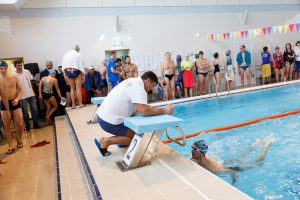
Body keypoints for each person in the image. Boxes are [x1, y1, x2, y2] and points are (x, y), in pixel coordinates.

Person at [94, 71, 174, 156]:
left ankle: (122, 141)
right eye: (152, 85)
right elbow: (144, 111)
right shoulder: (139, 88)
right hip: (109, 122)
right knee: (142, 138)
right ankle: (106, 141)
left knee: (136, 130)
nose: (151, 89)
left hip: (103, 116)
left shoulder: (132, 81)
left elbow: (138, 109)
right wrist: (164, 110)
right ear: (148, 81)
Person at [191, 138, 273, 183]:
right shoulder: (196, 157)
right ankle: (255, 143)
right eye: (192, 147)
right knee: (240, 156)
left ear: (201, 152)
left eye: (195, 149)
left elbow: (232, 172)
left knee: (258, 161)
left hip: (231, 168)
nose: (192, 150)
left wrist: (234, 183)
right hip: (224, 163)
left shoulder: (213, 168)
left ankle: (267, 145)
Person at [0, 60, 24, 154]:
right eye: (1, 69)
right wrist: (7, 110)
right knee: (6, 126)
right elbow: (3, 96)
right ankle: (10, 144)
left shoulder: (14, 77)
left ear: (7, 68)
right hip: (4, 103)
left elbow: (21, 90)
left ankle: (20, 139)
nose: (3, 70)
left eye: (4, 68)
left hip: (15, 101)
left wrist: (17, 99)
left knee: (19, 123)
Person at [14, 59, 40, 131]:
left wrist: (33, 91)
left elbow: (31, 81)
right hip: (22, 96)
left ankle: (36, 125)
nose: (20, 67)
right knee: (25, 112)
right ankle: (28, 126)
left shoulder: (27, 71)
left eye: (20, 65)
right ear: (15, 66)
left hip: (31, 93)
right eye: (18, 65)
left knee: (34, 109)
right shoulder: (14, 75)